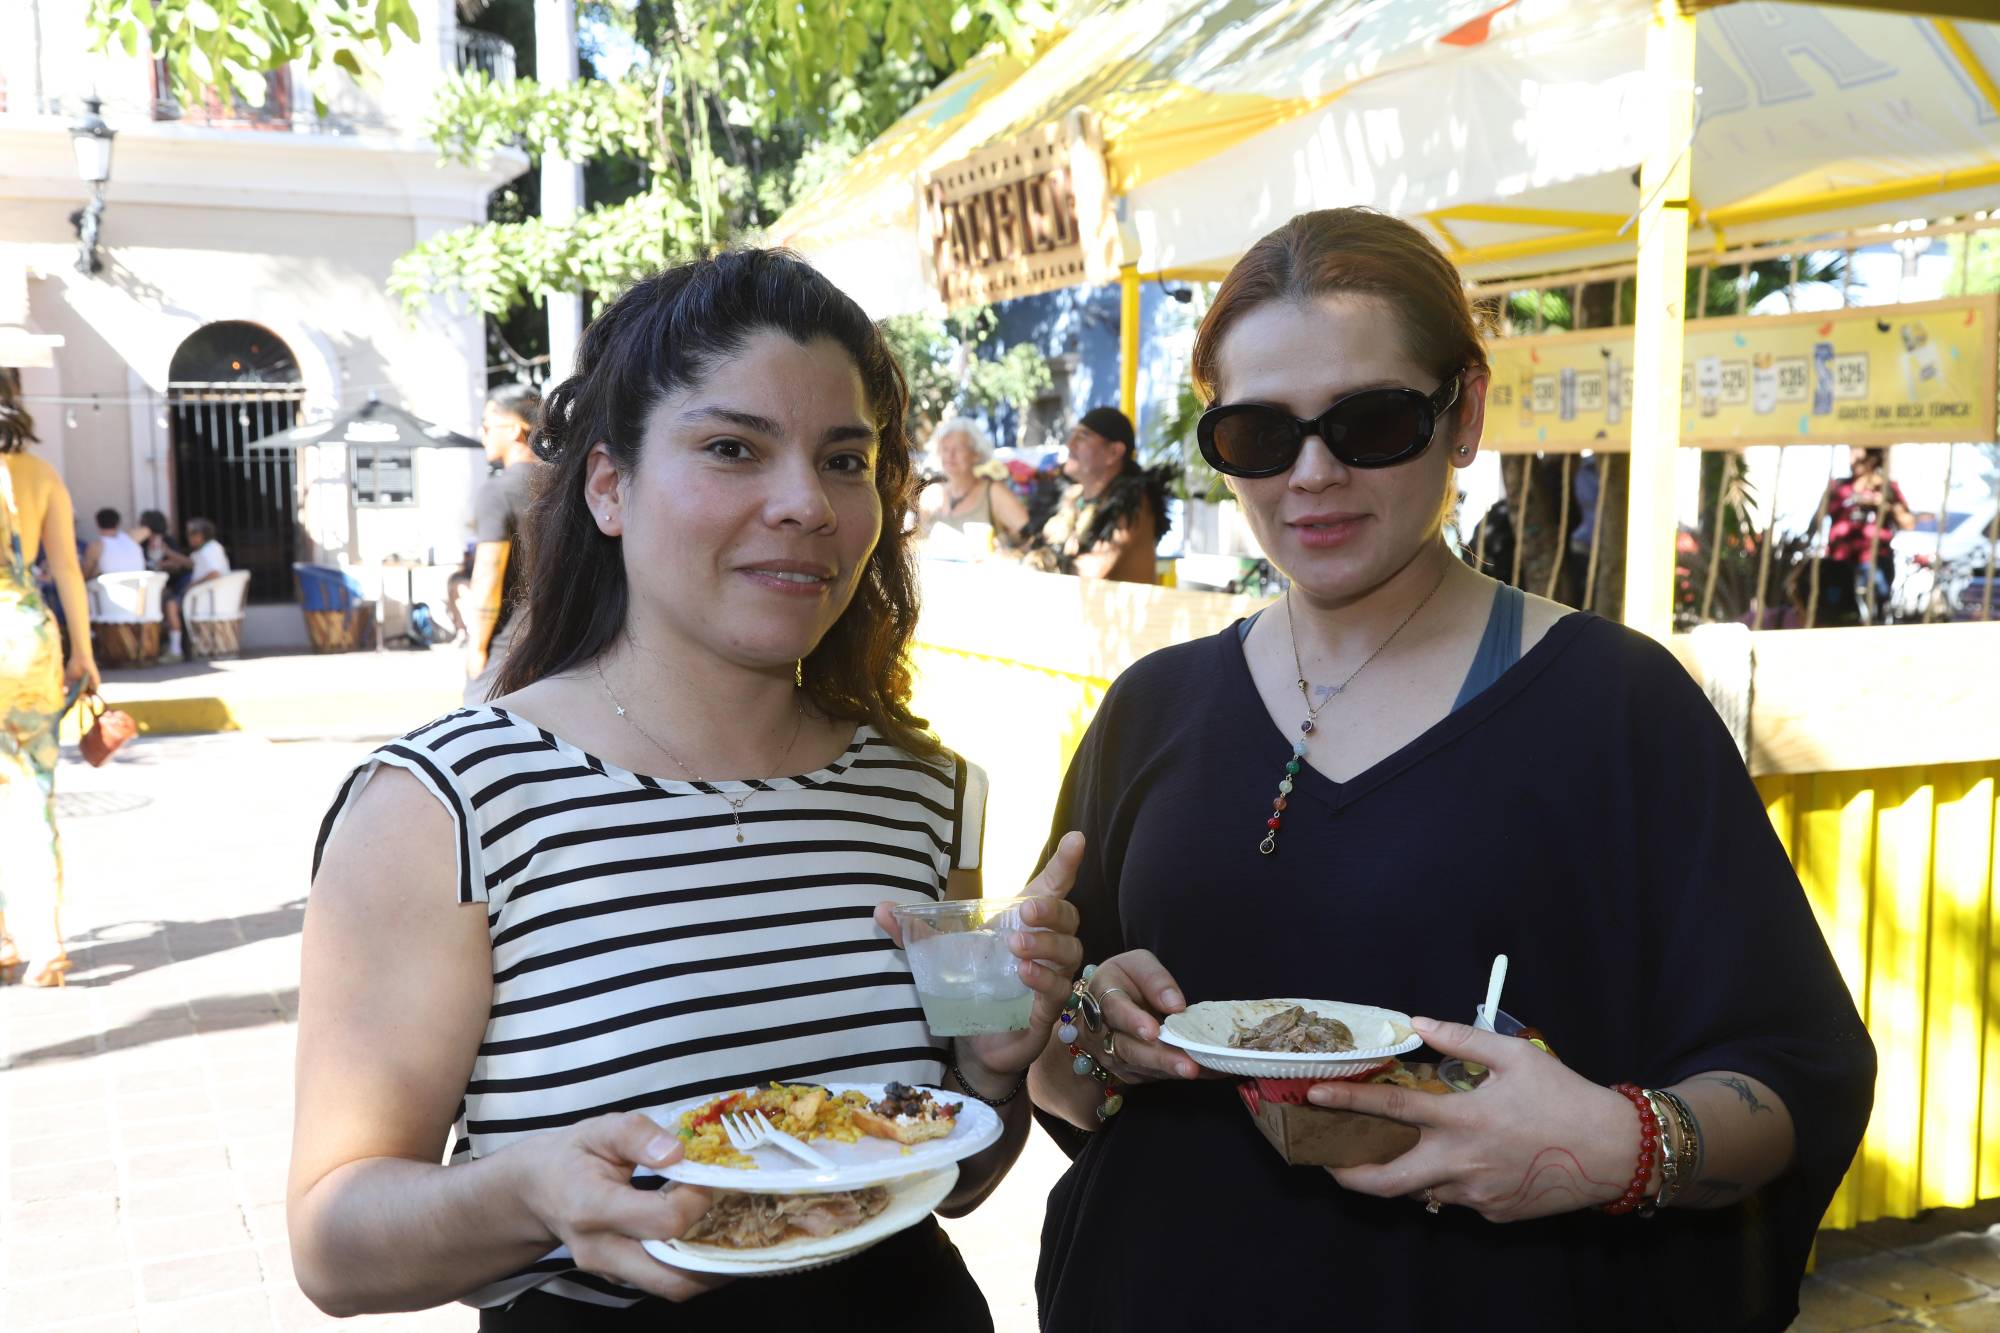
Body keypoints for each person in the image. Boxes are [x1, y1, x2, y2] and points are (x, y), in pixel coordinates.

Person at [1026, 209, 1875, 1331]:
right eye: (1257, 436)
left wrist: (1618, 1147)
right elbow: (1059, 1076)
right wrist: (1081, 1025)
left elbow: (1796, 1072)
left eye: (1370, 421)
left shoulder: (1616, 708)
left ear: (1462, 410)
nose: (1312, 475)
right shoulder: (1152, 707)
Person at [291, 249, 1085, 1329]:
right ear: (609, 486)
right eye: (731, 448)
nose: (805, 503)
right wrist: (530, 1192)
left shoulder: (927, 794)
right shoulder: (449, 804)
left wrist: (992, 1076)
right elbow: (335, 1246)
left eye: (844, 460)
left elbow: (947, 1179)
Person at [0, 366, 98, 988]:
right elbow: (67, 569)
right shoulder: (40, 477)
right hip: (30, 636)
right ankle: (49, 942)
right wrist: (83, 653)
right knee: (34, 789)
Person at [464, 383, 546, 705]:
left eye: (487, 426)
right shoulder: (568, 485)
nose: (483, 434)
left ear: (514, 429)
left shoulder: (497, 492)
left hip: (506, 651)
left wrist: (476, 648)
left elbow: (488, 575)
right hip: (564, 649)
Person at [1030, 407, 1169, 584]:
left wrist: (1041, 560)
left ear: (1114, 453)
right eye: (1073, 434)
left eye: (1083, 436)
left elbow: (1090, 571)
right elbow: (1036, 542)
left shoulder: (1134, 499)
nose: (1070, 444)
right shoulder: (1075, 497)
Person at [1820, 446, 1914, 618]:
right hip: (1839, 562)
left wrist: (1885, 505)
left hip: (1874, 560)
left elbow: (1908, 523)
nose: (1852, 459)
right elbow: (1820, 517)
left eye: (1857, 452)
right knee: (1835, 613)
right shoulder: (1839, 485)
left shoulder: (1886, 487)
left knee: (1876, 611)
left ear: (1872, 456)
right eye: (1850, 452)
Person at [913, 417, 1029, 547]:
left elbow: (1030, 537)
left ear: (976, 454)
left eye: (959, 448)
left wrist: (1004, 548)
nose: (950, 455)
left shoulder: (993, 493)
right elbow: (919, 543)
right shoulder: (931, 494)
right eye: (945, 448)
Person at [81, 506, 145, 579]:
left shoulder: (97, 546)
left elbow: (85, 574)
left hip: (111, 588)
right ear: (118, 522)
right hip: (138, 586)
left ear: (97, 523)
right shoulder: (133, 539)